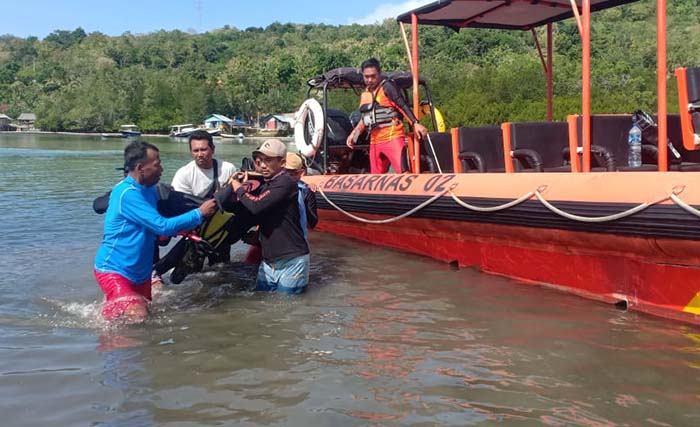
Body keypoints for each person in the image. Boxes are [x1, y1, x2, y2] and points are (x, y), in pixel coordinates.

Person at [94, 141, 218, 323]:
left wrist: (182, 229)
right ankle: (111, 347)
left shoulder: (150, 191)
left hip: (141, 272)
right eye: (157, 164)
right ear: (140, 168)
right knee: (139, 315)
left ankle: (112, 326)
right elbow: (162, 225)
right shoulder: (126, 193)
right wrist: (199, 213)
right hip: (114, 269)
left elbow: (154, 227)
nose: (161, 168)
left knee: (141, 317)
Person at [230, 139, 311, 294]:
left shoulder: (286, 182)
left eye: (268, 160)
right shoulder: (267, 184)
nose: (262, 165)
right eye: (259, 161)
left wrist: (238, 188)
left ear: (282, 162)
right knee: (264, 302)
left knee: (287, 311)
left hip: (291, 260)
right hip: (269, 260)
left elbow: (256, 206)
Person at [346, 57, 428, 174]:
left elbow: (402, 105)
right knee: (376, 177)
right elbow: (364, 119)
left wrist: (415, 123)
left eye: (373, 76)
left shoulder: (387, 87)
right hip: (374, 141)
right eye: (366, 77)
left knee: (403, 172)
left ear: (379, 74)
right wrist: (354, 135)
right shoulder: (365, 94)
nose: (370, 80)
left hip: (392, 136)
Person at [171, 130, 237, 198]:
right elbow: (180, 203)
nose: (200, 155)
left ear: (213, 149)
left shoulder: (228, 169)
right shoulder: (183, 174)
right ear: (191, 152)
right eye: (196, 151)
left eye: (203, 150)